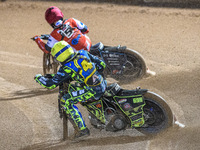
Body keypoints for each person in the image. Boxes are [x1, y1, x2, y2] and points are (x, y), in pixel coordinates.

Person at [34, 41, 107, 140]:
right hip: (102, 83)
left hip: (92, 90)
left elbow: (50, 85)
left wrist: (39, 78)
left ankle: (82, 130)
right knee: (74, 88)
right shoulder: (82, 53)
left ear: (60, 56)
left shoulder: (66, 68)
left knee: (66, 100)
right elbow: (102, 65)